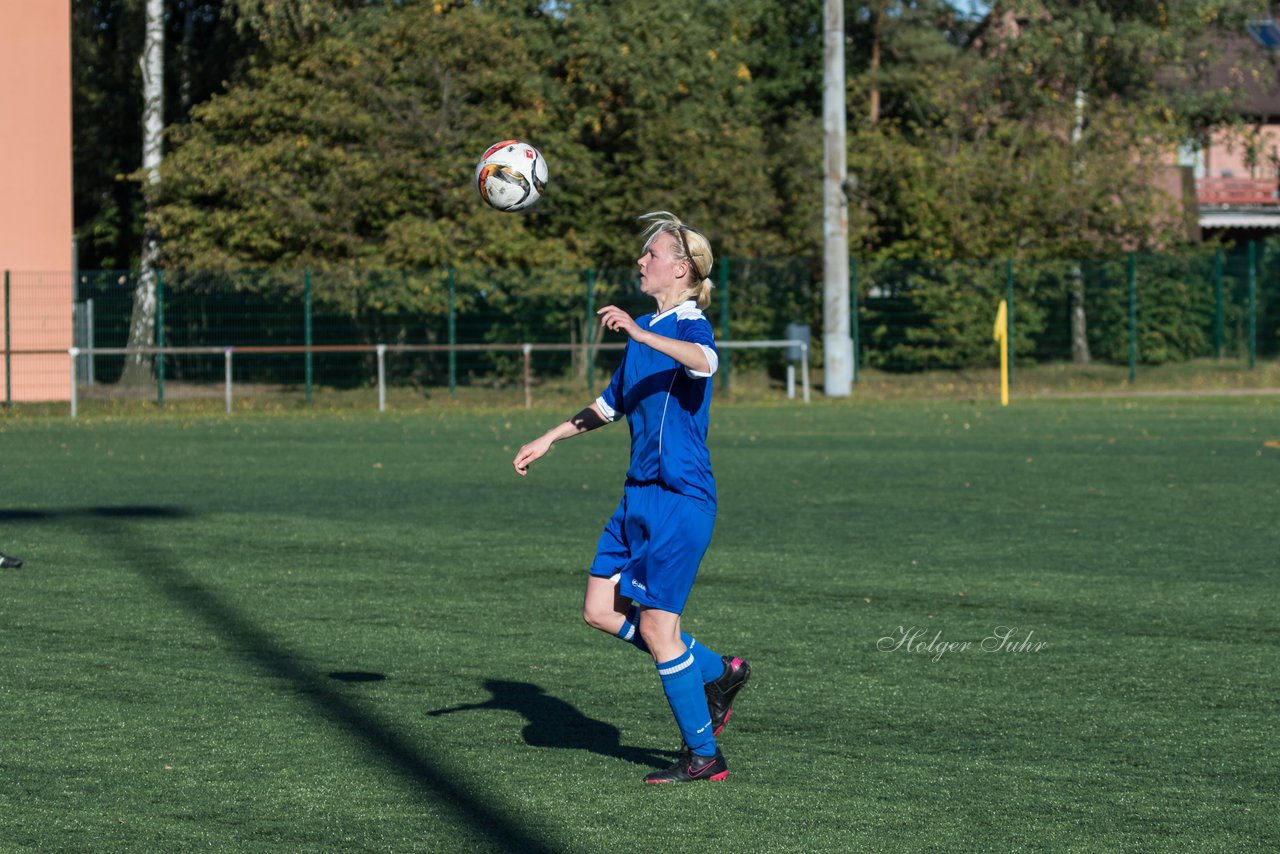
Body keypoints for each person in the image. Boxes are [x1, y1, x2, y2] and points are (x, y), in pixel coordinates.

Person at [513, 211, 750, 784]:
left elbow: (706, 362)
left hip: (680, 497)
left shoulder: (690, 325)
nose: (641, 261)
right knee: (599, 610)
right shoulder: (644, 332)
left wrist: (643, 332)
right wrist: (550, 437)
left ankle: (704, 755)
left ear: (683, 268)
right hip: (636, 497)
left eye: (652, 253)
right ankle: (718, 672)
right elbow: (608, 406)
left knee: (656, 629)